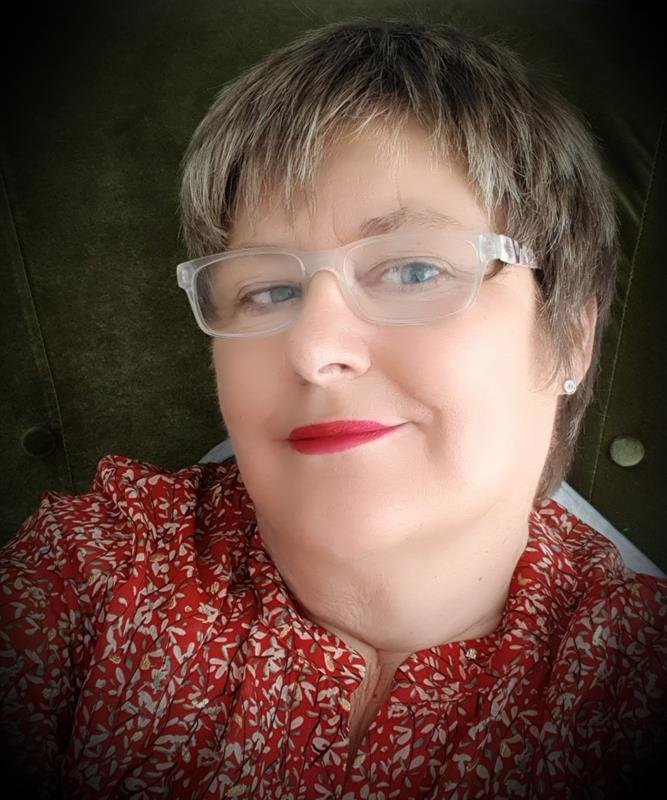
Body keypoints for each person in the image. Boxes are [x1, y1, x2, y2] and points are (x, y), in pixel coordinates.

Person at [1, 16, 665, 800]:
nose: (314, 348)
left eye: (414, 270)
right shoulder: (96, 570)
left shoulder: (634, 675)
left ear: (570, 339)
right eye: (267, 289)